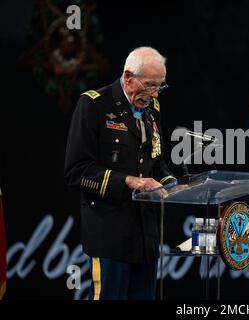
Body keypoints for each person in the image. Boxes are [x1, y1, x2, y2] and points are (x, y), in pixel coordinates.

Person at [64, 46, 176, 300]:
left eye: (160, 86)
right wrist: (129, 181)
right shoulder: (94, 105)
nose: (155, 93)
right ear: (128, 77)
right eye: (149, 85)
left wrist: (172, 185)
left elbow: (156, 162)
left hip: (146, 239)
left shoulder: (153, 107)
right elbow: (76, 170)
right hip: (110, 237)